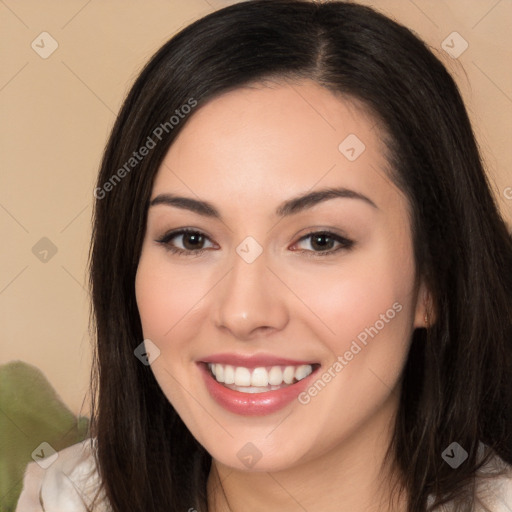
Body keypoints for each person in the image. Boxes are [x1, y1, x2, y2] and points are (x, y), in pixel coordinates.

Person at [16, 1, 512, 510]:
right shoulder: (66, 499)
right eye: (191, 239)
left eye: (321, 240)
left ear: (435, 280)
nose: (243, 312)